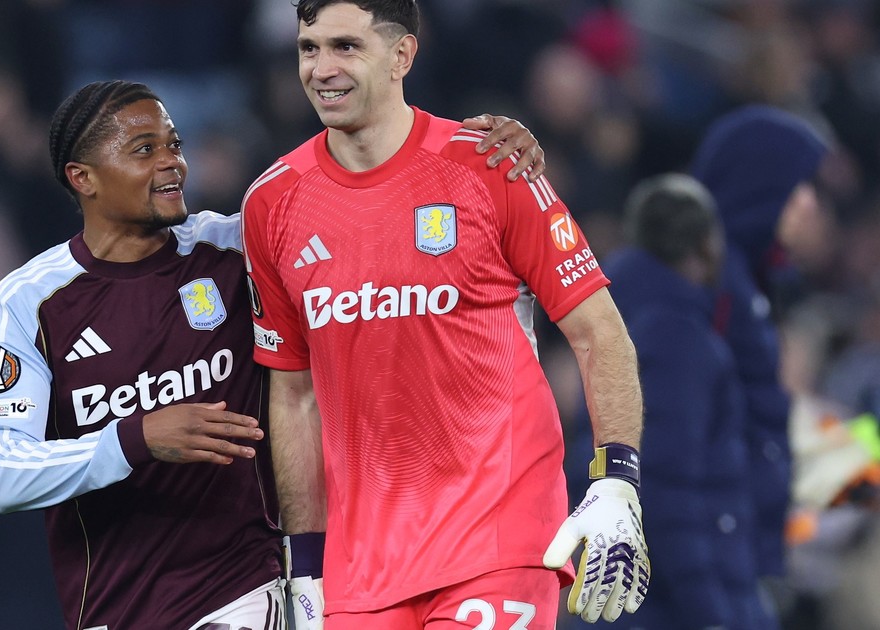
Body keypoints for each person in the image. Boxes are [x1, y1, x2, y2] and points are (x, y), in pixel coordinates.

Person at [0, 79, 547, 629]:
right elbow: (3, 474)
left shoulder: (235, 246)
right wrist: (135, 439)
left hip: (248, 583)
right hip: (114, 605)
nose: (173, 163)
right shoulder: (30, 301)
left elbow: (369, 210)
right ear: (83, 178)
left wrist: (477, 156)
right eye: (144, 150)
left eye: (174, 144)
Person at [240, 2, 649, 628]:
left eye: (346, 46)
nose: (321, 68)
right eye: (308, 48)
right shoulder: (271, 203)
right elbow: (294, 397)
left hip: (498, 539)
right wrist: (306, 564)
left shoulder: (493, 165)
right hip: (361, 569)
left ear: (402, 54)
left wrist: (616, 478)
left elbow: (599, 333)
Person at [569, 173, 775, 630]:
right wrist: (710, 612)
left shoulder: (612, 320)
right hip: (663, 604)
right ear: (705, 245)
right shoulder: (677, 338)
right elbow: (663, 488)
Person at [689, 105, 830, 591]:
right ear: (760, 185)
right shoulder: (710, 288)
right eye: (798, 186)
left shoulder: (749, 282)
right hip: (706, 555)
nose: (810, 204)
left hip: (735, 544)